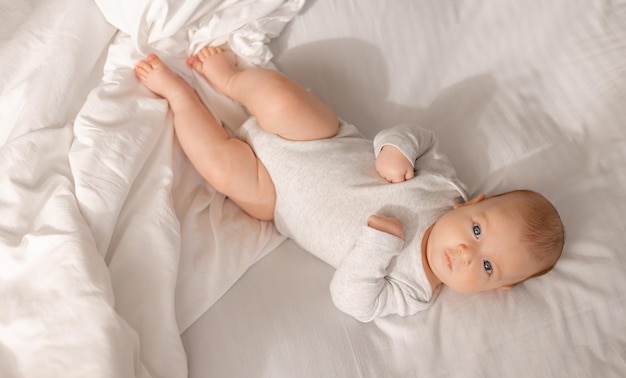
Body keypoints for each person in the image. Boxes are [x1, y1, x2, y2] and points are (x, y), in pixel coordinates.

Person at [134, 46, 565, 322]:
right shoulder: (445, 189)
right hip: (320, 140)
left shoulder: (413, 291)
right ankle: (231, 80)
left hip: (275, 197)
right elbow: (423, 138)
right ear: (474, 203)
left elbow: (352, 300)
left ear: (497, 289)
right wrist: (394, 149)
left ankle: (180, 98)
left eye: (488, 268)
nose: (467, 254)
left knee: (219, 166)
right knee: (282, 100)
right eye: (477, 230)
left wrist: (377, 248)